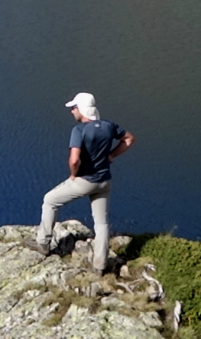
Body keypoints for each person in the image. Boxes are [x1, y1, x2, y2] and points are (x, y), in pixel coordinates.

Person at [36, 92, 133, 273]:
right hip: (104, 181)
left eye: (74, 107)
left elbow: (74, 160)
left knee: (50, 200)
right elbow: (129, 139)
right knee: (102, 223)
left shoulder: (79, 130)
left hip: (84, 180)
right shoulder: (108, 126)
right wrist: (111, 155)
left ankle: (42, 245)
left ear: (81, 109)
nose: (72, 111)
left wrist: (74, 175)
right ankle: (100, 265)